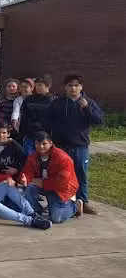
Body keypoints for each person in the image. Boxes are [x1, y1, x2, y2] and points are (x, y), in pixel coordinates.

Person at [47, 74, 104, 215]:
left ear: (81, 87)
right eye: (70, 85)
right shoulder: (58, 102)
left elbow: (98, 119)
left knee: (81, 174)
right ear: (65, 87)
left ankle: (83, 202)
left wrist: (86, 108)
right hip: (61, 145)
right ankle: (61, 201)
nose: (73, 88)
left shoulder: (88, 102)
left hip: (80, 145)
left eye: (76, 85)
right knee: (60, 174)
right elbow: (48, 120)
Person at [20, 132, 80, 223]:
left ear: (50, 143)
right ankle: (36, 211)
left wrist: (43, 183)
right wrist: (25, 179)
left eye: (44, 144)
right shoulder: (33, 157)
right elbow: (27, 171)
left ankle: (76, 206)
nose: (41, 146)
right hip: (45, 185)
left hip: (62, 189)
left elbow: (63, 181)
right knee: (29, 188)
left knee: (56, 218)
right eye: (38, 144)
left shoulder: (63, 158)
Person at [18, 76, 55, 154]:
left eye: (40, 85)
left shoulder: (54, 101)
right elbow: (24, 118)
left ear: (48, 86)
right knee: (29, 159)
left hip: (45, 137)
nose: (37, 87)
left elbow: (54, 119)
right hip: (30, 135)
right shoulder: (28, 100)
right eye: (36, 85)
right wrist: (22, 133)